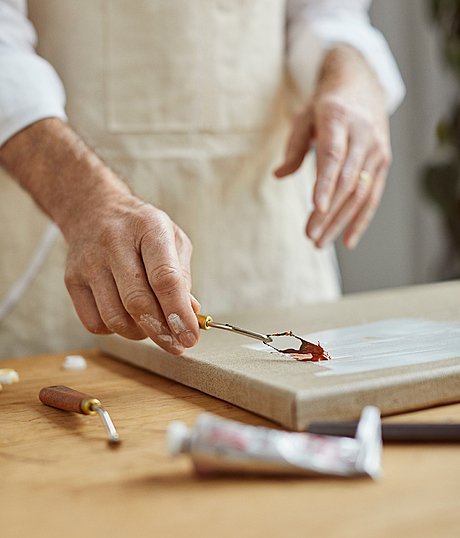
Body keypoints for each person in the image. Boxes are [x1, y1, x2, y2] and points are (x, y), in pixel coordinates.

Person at [0, 0, 405, 358]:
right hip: (58, 242)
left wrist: (350, 74)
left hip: (267, 243)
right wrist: (85, 200)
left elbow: (330, 12)